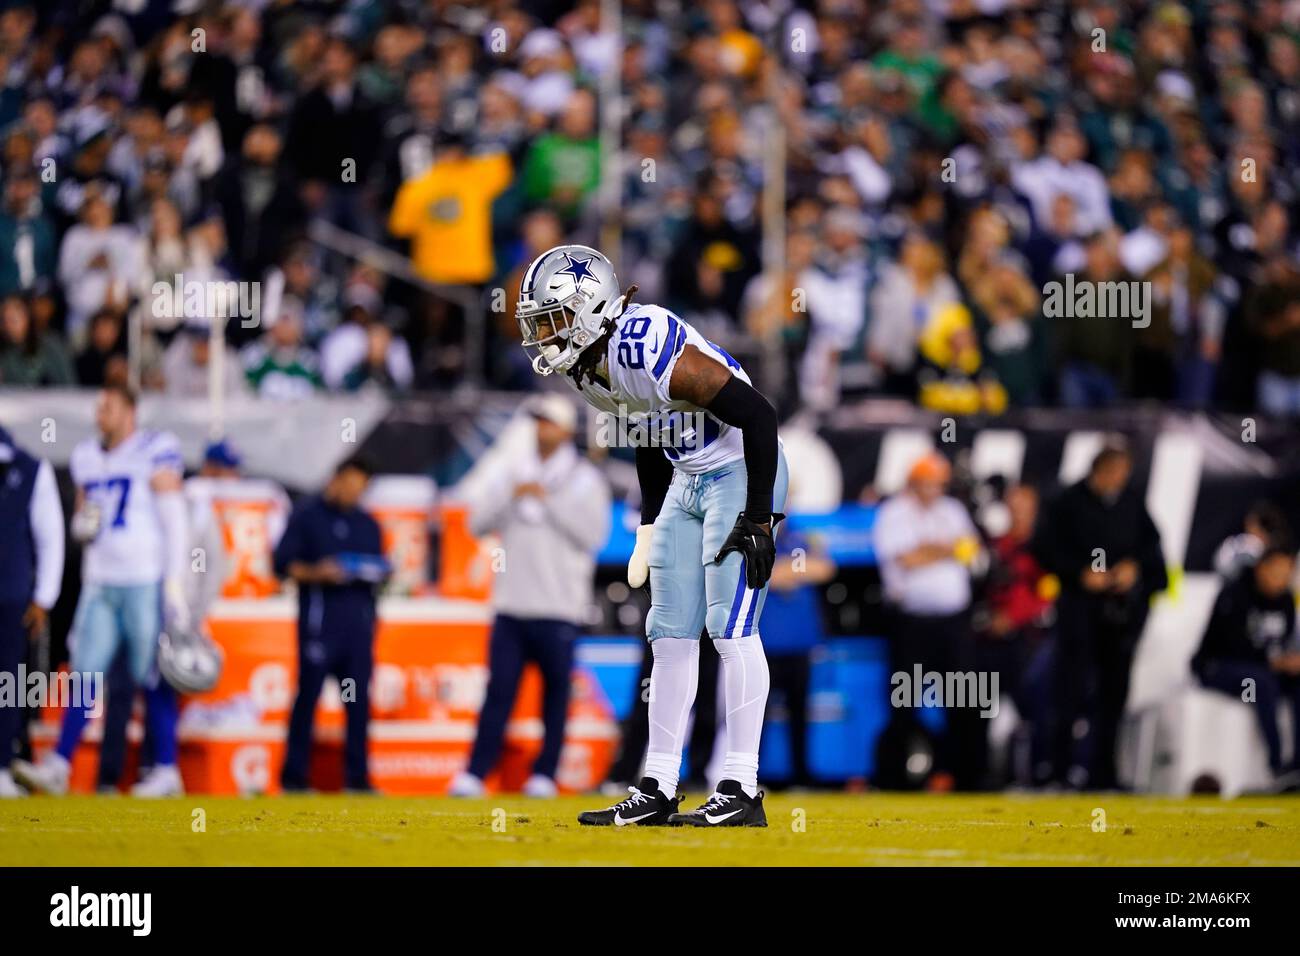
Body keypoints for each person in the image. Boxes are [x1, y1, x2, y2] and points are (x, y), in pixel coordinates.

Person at [515, 244, 787, 827]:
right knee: (668, 635)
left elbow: (760, 415)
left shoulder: (644, 346)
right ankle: (657, 785)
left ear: (588, 310)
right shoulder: (587, 367)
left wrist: (760, 515)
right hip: (686, 475)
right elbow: (649, 435)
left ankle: (740, 785)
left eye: (552, 319)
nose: (544, 335)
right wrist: (647, 525)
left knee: (732, 628)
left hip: (738, 466)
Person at [13, 385, 190, 797]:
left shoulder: (154, 448)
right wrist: (82, 528)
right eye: (98, 406)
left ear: (130, 412)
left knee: (152, 672)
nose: (99, 414)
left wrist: (175, 583)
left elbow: (175, 521)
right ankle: (60, 765)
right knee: (85, 672)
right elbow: (81, 517)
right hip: (100, 579)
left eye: (107, 407)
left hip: (143, 577)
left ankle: (167, 768)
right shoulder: (86, 457)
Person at [449, 394, 610, 798]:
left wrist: (547, 500)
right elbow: (476, 523)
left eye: (549, 422)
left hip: (559, 607)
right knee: (498, 693)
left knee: (555, 697)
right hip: (512, 604)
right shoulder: (512, 474)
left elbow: (594, 537)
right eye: (537, 421)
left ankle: (544, 774)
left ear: (566, 429)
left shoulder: (584, 480)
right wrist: (513, 495)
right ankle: (475, 772)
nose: (541, 429)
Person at [1033, 439, 1167, 790]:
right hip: (1079, 610)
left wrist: (1132, 570)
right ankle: (1058, 772)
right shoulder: (1068, 502)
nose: (1119, 480)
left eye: (1124, 473)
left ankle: (1103, 774)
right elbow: (1044, 547)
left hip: (1119, 615)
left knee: (1113, 694)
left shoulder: (1131, 503)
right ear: (1098, 470)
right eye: (1114, 472)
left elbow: (1151, 550)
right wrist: (1078, 573)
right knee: (1069, 691)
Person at [274, 457, 388, 793]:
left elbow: (379, 569)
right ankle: (293, 778)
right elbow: (281, 564)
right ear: (335, 480)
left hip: (357, 631)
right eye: (350, 484)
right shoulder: (308, 517)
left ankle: (357, 779)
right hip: (319, 627)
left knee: (356, 704)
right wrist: (316, 572)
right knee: (308, 699)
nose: (354, 493)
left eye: (361, 488)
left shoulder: (368, 524)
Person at [872, 452, 984, 790]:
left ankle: (965, 778)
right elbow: (906, 558)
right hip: (912, 623)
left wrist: (932, 551)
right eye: (928, 483)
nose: (935, 490)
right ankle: (896, 780)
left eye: (939, 484)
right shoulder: (894, 513)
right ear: (913, 483)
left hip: (953, 622)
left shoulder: (953, 511)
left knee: (963, 698)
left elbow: (973, 553)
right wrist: (948, 550)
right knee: (904, 702)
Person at [1191, 547, 1300, 784]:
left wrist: (1289, 661)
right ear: (1261, 568)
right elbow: (1230, 646)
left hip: (1265, 669)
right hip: (1218, 667)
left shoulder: (1286, 600)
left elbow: (1284, 641)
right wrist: (1274, 662)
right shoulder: (1234, 594)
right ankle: (1277, 765)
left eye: (1287, 573)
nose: (1281, 579)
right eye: (1276, 571)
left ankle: (1296, 766)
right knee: (1261, 683)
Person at [0, 427, 64, 798]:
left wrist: (45, 596)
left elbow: (50, 534)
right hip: (15, 592)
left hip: (11, 595)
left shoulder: (29, 469)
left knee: (10, 683)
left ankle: (3, 763)